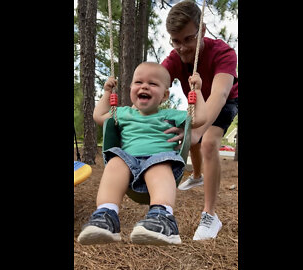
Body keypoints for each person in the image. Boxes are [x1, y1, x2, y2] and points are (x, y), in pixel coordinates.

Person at [77, 62, 206, 245]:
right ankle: (106, 216)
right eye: (138, 82)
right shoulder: (121, 113)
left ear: (164, 95)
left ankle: (162, 217)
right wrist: (107, 92)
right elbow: (99, 116)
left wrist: (197, 92)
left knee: (158, 166)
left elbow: (200, 118)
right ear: (131, 89)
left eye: (153, 84)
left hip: (159, 159)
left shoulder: (170, 114)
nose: (144, 86)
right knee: (115, 161)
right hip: (128, 163)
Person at [161, 0, 238, 241]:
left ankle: (210, 216)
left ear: (202, 30)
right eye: (175, 41)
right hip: (198, 101)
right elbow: (155, 80)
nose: (182, 48)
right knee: (189, 134)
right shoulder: (174, 58)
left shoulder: (223, 52)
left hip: (226, 101)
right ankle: (196, 176)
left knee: (207, 141)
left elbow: (220, 94)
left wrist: (198, 129)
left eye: (188, 39)